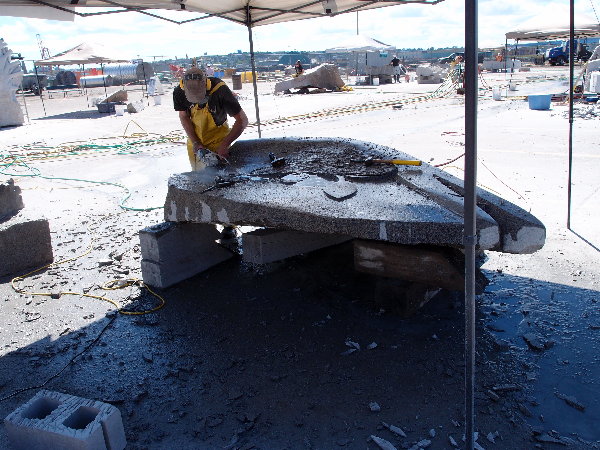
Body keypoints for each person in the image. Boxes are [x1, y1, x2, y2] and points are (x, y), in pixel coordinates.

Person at [173, 66, 248, 170]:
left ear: (205, 84)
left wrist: (224, 145)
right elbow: (183, 116)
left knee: (223, 174)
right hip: (195, 141)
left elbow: (242, 120)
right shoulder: (178, 92)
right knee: (200, 176)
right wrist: (195, 142)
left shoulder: (220, 90)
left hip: (219, 140)